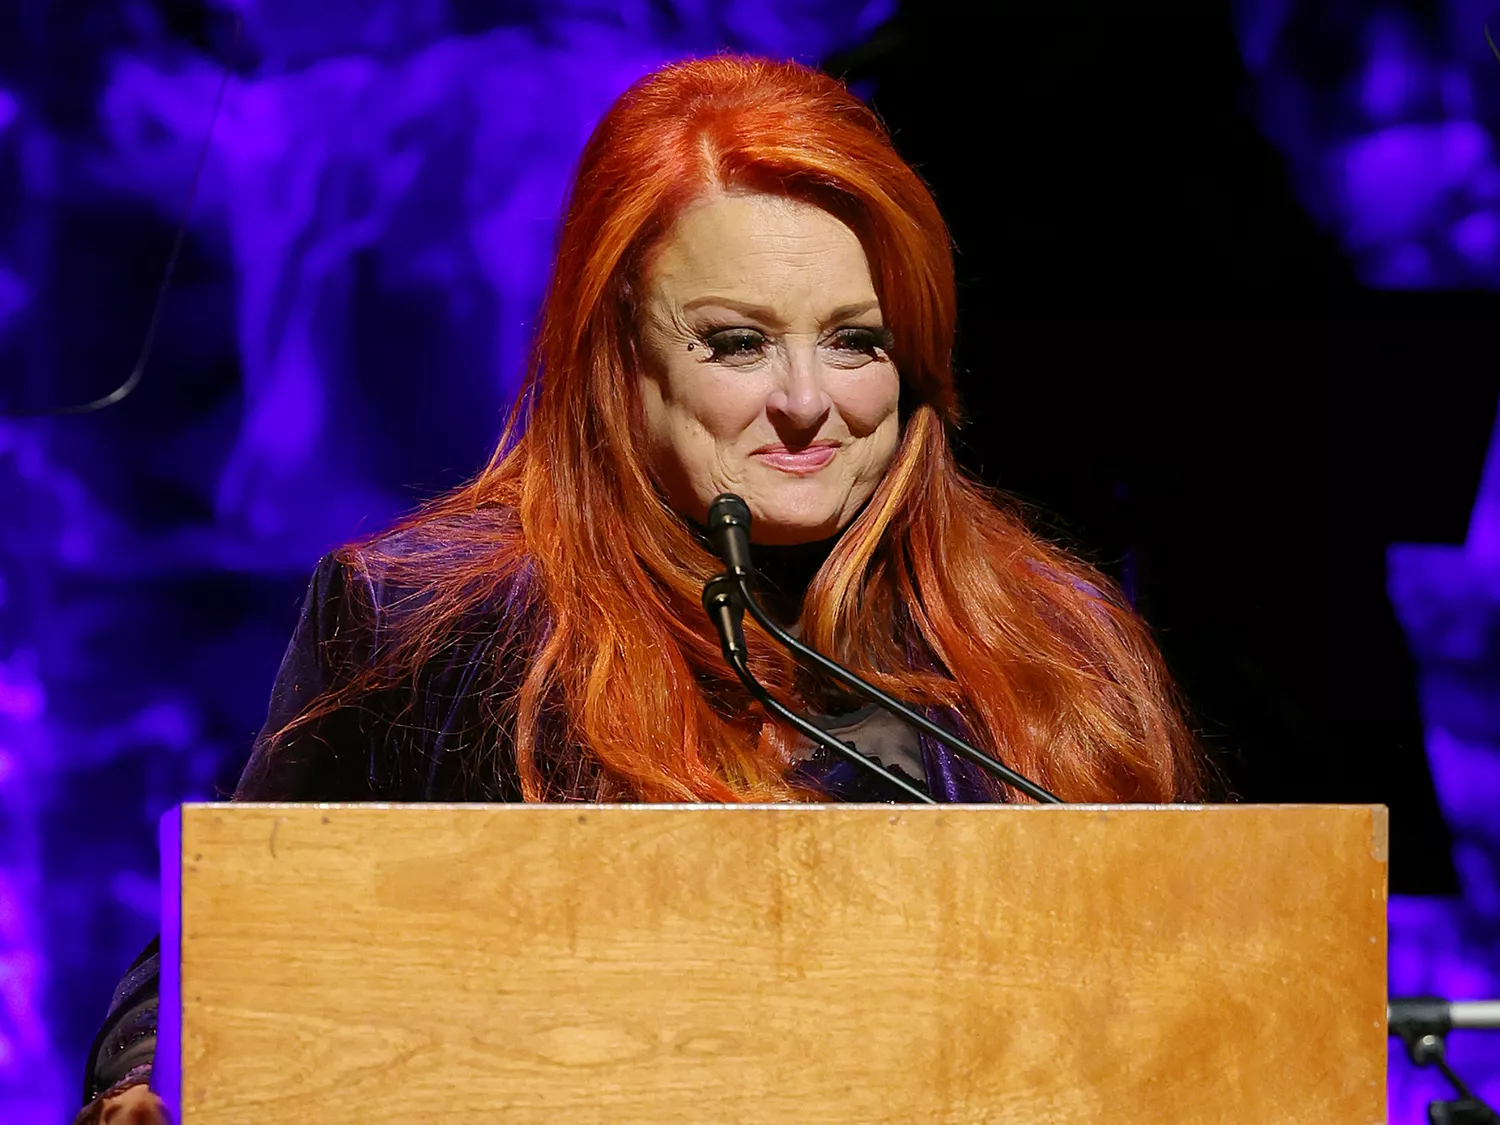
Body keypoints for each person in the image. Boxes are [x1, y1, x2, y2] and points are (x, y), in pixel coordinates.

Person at [75, 53, 1203, 1124]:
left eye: (855, 341)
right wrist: (150, 1087)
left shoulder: (1056, 644)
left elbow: (1196, 996)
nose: (810, 402)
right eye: (737, 344)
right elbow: (213, 957)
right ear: (617, 353)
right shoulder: (427, 627)